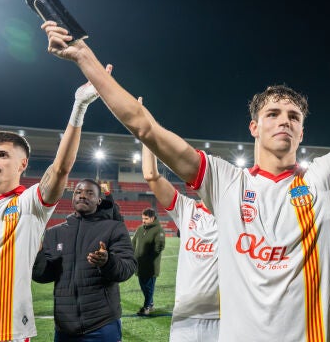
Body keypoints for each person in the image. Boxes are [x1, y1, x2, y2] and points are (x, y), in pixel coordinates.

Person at [41, 0, 330, 341]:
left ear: (301, 132)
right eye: (275, 113)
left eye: (294, 116)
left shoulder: (324, 177)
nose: (285, 121)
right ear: (254, 126)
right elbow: (144, 125)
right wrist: (84, 58)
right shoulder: (224, 180)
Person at [0, 74, 104, 341]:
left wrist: (79, 107)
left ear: (22, 164)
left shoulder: (29, 203)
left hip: (5, 332)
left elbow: (60, 169)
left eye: (2, 155)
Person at [32, 178, 136, 341]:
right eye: (78, 192)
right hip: (64, 327)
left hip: (102, 325)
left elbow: (127, 268)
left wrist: (107, 262)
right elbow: (43, 275)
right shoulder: (54, 233)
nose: (82, 196)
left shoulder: (114, 228)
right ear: (72, 197)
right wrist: (37, 255)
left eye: (89, 193)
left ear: (99, 200)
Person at [140, 132, 219, 341]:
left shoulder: (235, 212)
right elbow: (151, 175)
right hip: (186, 318)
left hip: (226, 318)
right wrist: (145, 133)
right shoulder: (186, 209)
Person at [131, 207, 166, 316]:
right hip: (139, 264)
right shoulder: (140, 228)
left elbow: (159, 247)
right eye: (142, 218)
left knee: (149, 287)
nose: (143, 220)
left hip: (151, 265)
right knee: (143, 286)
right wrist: (131, 255)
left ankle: (146, 307)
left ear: (152, 218)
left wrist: (148, 259)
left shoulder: (158, 230)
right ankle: (150, 304)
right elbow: (133, 242)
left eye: (146, 218)